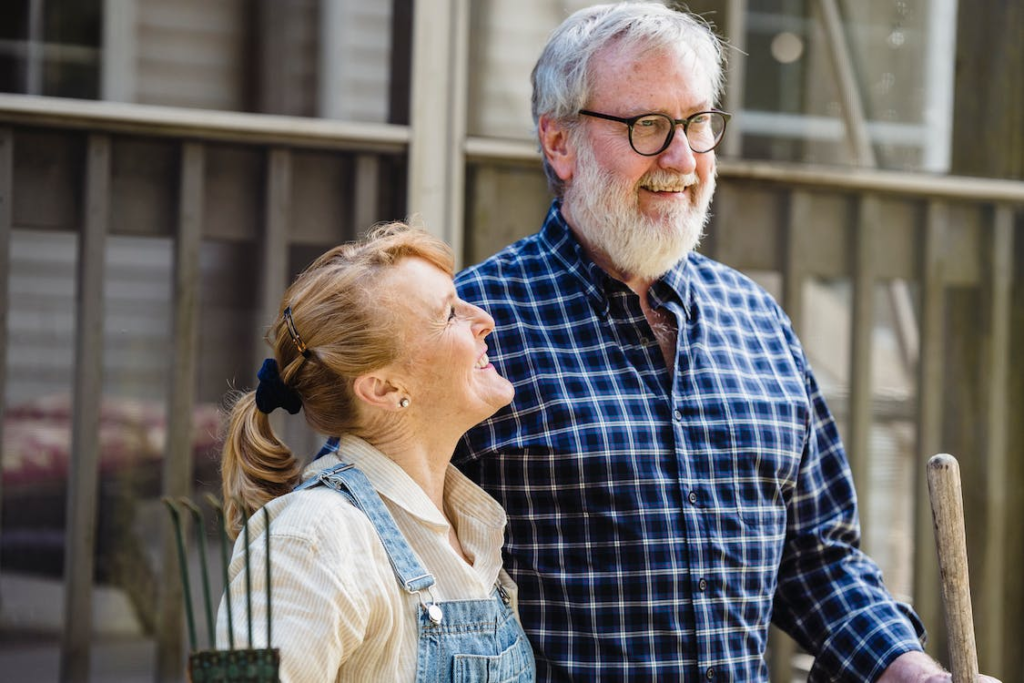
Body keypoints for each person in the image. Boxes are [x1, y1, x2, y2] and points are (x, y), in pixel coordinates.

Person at [453, 3, 1000, 683]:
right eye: (647, 126)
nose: (683, 158)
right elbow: (372, 531)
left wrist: (916, 674)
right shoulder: (472, 325)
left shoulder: (756, 320)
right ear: (559, 143)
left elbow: (818, 560)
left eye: (698, 123)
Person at [216, 223, 535, 682]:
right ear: (384, 388)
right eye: (449, 314)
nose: (485, 318)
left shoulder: (467, 528)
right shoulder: (313, 536)